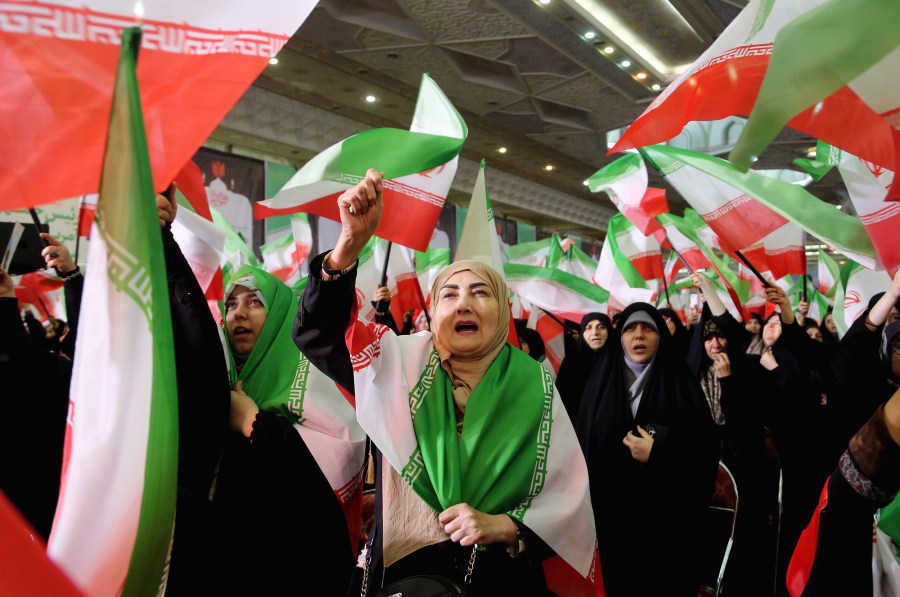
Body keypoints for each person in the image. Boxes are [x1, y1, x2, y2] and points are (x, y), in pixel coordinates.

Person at [294, 169, 599, 596]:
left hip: (497, 579)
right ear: (433, 311)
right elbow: (318, 335)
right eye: (449, 295)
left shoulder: (534, 384)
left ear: (503, 310)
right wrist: (349, 245)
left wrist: (508, 528)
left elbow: (567, 501)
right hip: (401, 574)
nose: (464, 304)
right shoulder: (396, 363)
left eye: (481, 292)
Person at [214, 263, 367, 595]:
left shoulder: (314, 384)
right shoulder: (218, 384)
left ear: (281, 315)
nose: (238, 313)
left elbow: (311, 489)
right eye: (231, 304)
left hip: (298, 569)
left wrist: (251, 421)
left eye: (254, 302)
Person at [575, 301, 720, 597]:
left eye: (647, 328)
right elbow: (582, 448)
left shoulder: (680, 384)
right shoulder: (600, 384)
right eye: (630, 328)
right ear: (621, 336)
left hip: (666, 528)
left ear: (659, 336)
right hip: (609, 524)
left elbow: (704, 454)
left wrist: (660, 454)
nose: (638, 336)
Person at [555, 312, 611, 422]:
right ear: (582, 332)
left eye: (601, 327)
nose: (595, 333)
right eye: (588, 328)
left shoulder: (618, 361)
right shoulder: (572, 361)